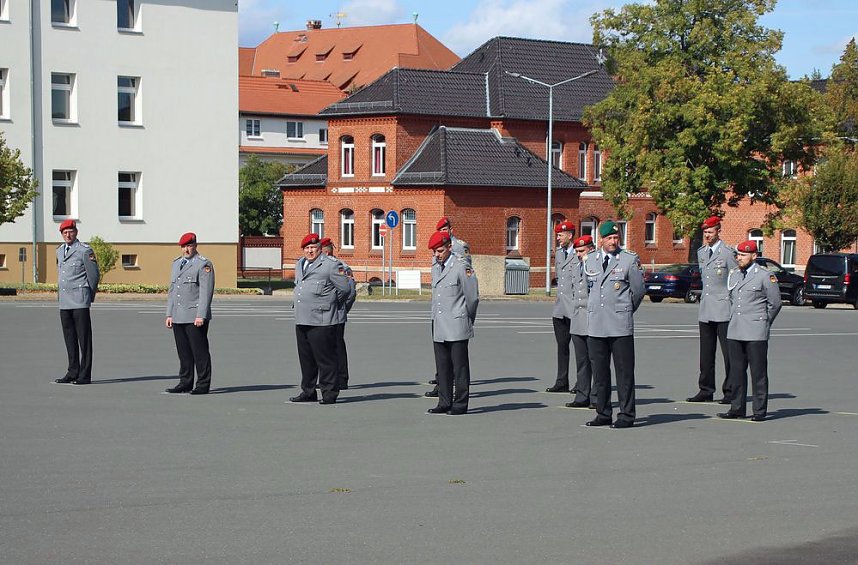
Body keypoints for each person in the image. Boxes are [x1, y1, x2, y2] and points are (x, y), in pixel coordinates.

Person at [583, 221, 645, 428]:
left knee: (624, 373)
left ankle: (627, 415)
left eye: (616, 238)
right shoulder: (590, 260)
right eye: (609, 238)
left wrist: (625, 310)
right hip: (596, 325)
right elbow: (589, 289)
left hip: (619, 325)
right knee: (600, 373)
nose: (613, 241)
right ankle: (603, 412)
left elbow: (638, 291)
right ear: (601, 239)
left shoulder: (628, 260)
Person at [718, 240, 782, 422]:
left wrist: (763, 321)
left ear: (754, 256)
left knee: (758, 372)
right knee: (736, 371)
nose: (739, 258)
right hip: (735, 329)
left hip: (755, 330)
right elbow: (731, 299)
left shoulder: (765, 275)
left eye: (743, 255)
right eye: (738, 255)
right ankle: (737, 408)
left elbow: (775, 303)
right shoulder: (734, 274)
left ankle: (759, 410)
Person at [289, 233, 351, 405]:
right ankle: (308, 391)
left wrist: (329, 302)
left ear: (319, 249)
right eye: (307, 248)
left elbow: (345, 289)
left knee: (325, 358)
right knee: (306, 358)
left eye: (313, 248)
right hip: (302, 318)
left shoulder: (330, 265)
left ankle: (329, 392)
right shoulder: (300, 264)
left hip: (322, 319)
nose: (310, 251)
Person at [426, 231, 479, 415]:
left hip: (457, 323)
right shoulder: (436, 266)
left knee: (460, 368)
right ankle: (444, 401)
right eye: (434, 252)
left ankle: (460, 403)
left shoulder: (461, 266)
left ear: (449, 247)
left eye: (440, 251)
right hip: (440, 324)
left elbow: (472, 297)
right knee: (443, 367)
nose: (437, 255)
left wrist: (467, 319)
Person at [687, 216, 738, 404]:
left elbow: (735, 280)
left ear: (718, 231)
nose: (707, 235)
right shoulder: (702, 252)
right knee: (706, 354)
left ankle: (731, 390)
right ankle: (706, 389)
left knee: (729, 354)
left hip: (724, 308)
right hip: (707, 308)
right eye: (705, 232)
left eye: (710, 232)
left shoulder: (727, 253)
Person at [165, 232, 215, 395]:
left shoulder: (203, 264)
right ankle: (185, 382)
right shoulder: (176, 264)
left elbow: (206, 292)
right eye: (183, 247)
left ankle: (203, 383)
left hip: (195, 315)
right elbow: (173, 290)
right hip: (179, 315)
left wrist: (201, 315)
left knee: (199, 351)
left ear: (195, 245)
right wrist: (169, 314)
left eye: (189, 246)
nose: (186, 249)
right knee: (184, 352)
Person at [54, 219, 100, 385]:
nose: (68, 235)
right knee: (69, 338)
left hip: (80, 301)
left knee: (84, 339)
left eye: (71, 232)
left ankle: (85, 374)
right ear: (62, 234)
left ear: (76, 232)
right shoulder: (59, 251)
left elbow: (93, 276)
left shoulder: (84, 251)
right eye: (65, 233)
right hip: (65, 301)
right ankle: (72, 371)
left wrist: (88, 296)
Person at [321, 237, 357, 390]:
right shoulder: (319, 267)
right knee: (323, 348)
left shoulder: (340, 266)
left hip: (336, 313)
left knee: (337, 346)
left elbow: (349, 292)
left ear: (327, 251)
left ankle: (342, 378)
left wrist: (340, 306)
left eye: (319, 251)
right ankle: (328, 379)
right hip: (322, 315)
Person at [566, 234, 596, 409]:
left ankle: (596, 396)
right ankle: (582, 395)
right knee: (581, 361)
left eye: (582, 251)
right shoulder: (577, 266)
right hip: (578, 319)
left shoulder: (595, 266)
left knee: (595, 361)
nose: (578, 254)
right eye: (577, 251)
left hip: (592, 319)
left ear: (591, 249)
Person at [547, 220, 577, 394]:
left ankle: (582, 383)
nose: (557, 238)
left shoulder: (580, 254)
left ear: (569, 235)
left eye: (560, 235)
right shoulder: (559, 254)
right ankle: (562, 380)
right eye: (557, 235)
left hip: (574, 308)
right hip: (560, 309)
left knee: (581, 350)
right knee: (562, 346)